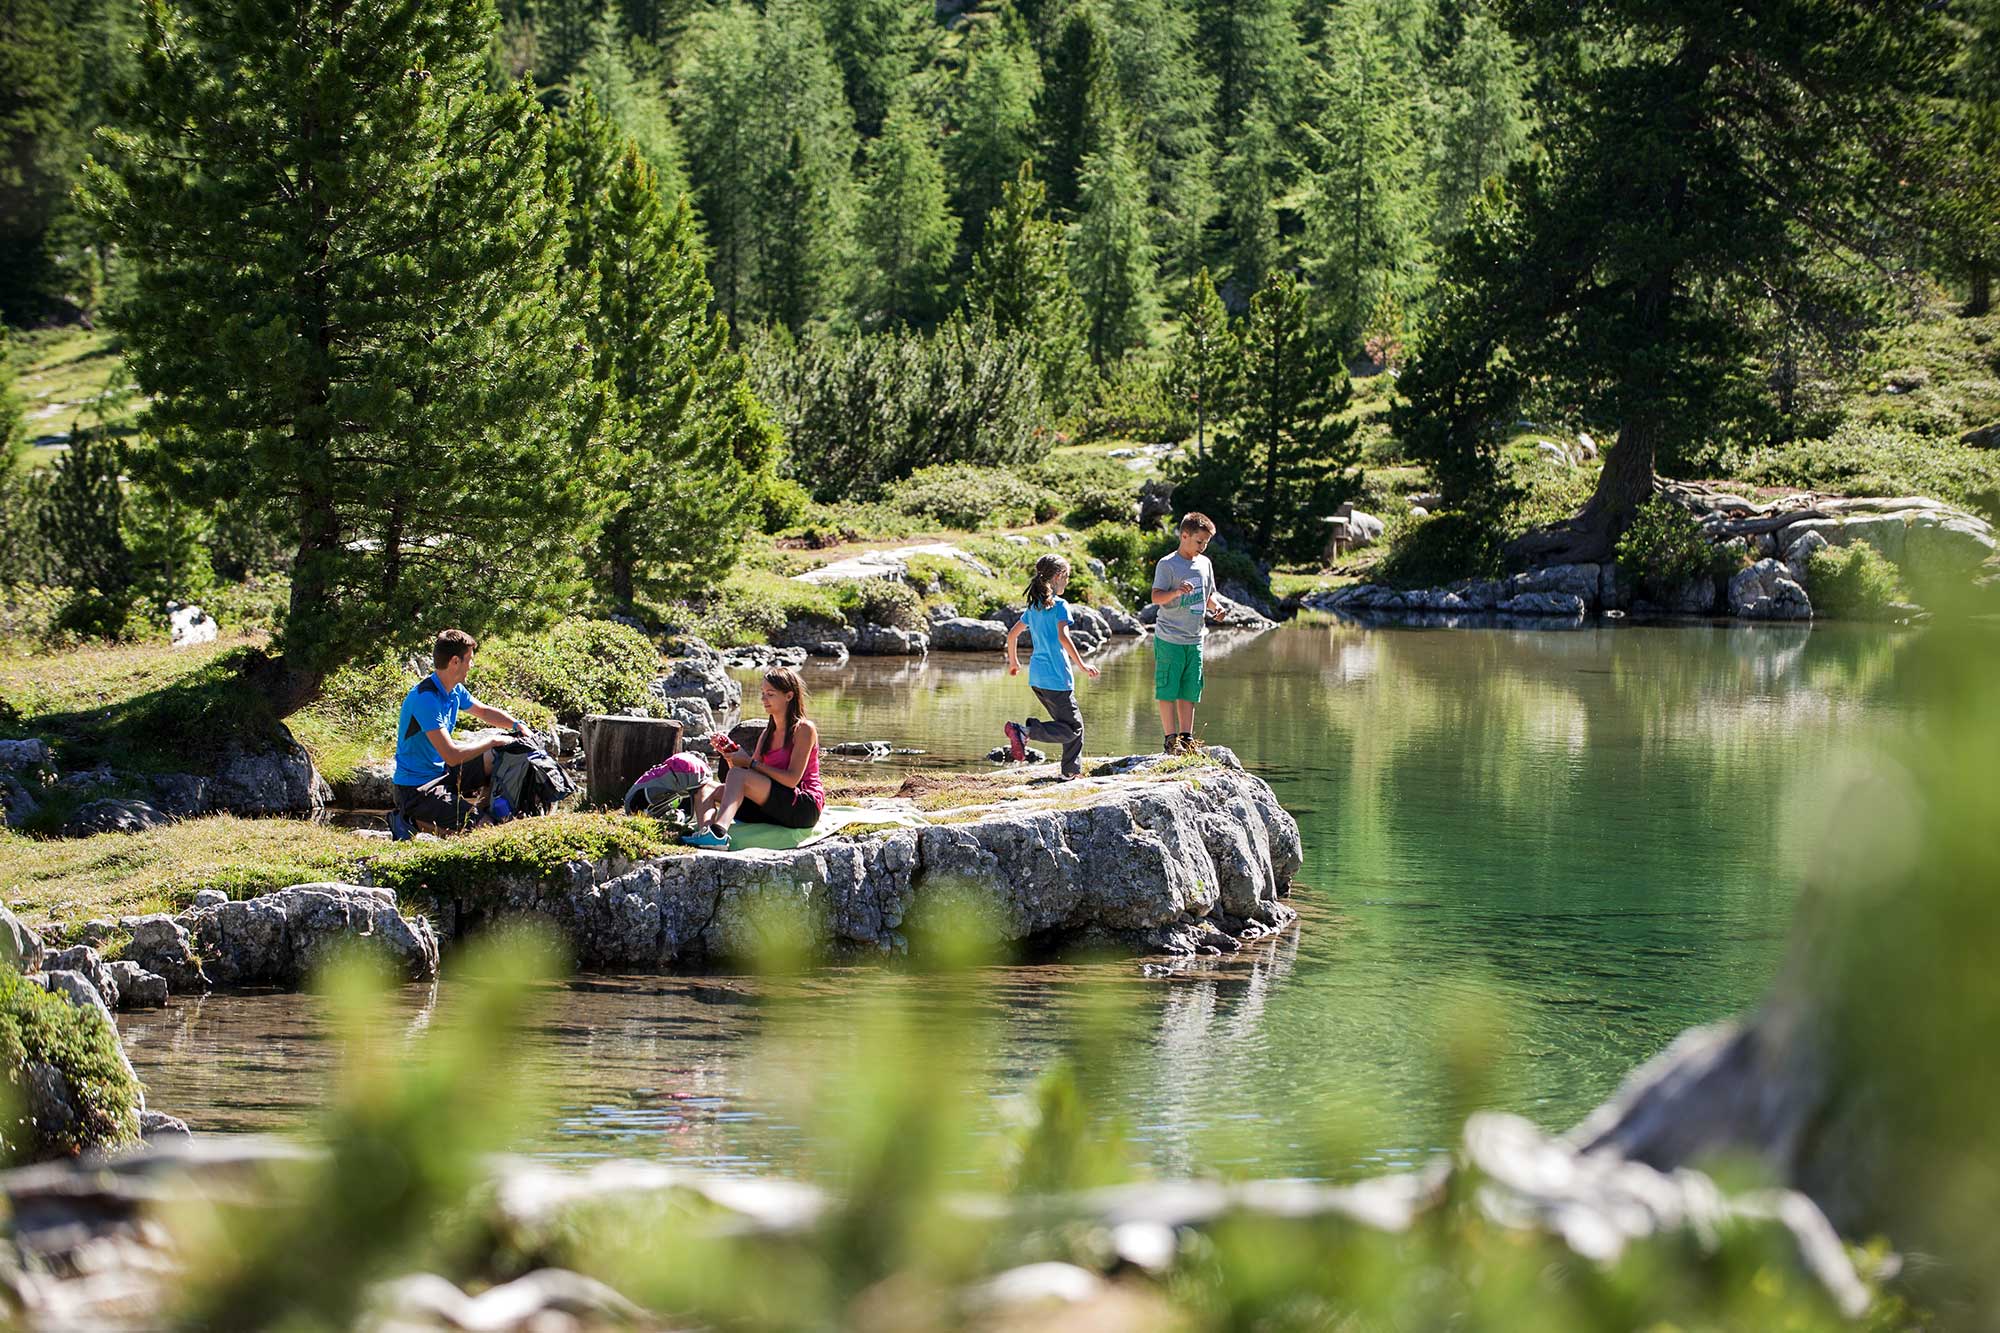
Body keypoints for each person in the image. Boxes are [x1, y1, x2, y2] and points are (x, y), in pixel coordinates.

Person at [390, 629, 527, 839]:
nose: (471, 666)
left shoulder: (453, 690)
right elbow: (452, 755)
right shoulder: (425, 698)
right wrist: (492, 740)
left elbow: (483, 711)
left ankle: (484, 811)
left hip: (443, 774)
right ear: (455, 661)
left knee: (499, 756)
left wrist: (517, 725)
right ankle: (410, 821)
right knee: (485, 830)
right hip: (417, 789)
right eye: (469, 660)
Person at [683, 667, 825, 850]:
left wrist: (749, 762)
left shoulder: (804, 729)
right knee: (706, 787)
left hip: (803, 807)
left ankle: (719, 833)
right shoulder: (767, 734)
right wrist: (731, 755)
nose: (763, 699)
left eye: (770, 694)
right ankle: (707, 833)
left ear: (789, 696)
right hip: (771, 806)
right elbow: (747, 776)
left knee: (737, 774)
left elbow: (791, 780)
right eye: (763, 693)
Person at [1002, 554, 1100, 780]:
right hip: (1056, 678)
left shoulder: (1034, 607)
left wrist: (1014, 662)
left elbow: (1012, 635)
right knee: (1075, 729)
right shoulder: (1060, 606)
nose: (1068, 582)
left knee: (1067, 726)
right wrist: (1083, 665)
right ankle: (1025, 731)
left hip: (1037, 678)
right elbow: (1063, 637)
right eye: (1067, 577)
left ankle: (1069, 773)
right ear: (1058, 576)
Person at [1150, 512, 1220, 754]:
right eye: (1199, 542)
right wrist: (1177, 592)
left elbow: (1208, 594)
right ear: (1184, 535)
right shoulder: (1167, 564)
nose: (1202, 547)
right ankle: (1171, 740)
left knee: (1190, 689)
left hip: (1195, 638)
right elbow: (1156, 596)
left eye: (1206, 543)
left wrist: (1216, 607)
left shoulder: (1205, 564)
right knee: (1168, 687)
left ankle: (1187, 737)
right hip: (1169, 637)